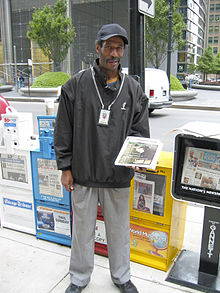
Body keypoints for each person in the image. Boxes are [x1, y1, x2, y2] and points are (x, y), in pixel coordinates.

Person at [54, 23, 150, 293]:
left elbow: (140, 131)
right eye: (109, 46)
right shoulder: (76, 85)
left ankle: (121, 277)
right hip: (83, 172)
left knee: (119, 232)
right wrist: (65, 167)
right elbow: (64, 129)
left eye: (119, 48)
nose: (114, 53)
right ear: (98, 48)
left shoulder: (133, 89)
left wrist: (140, 156)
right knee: (82, 232)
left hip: (118, 175)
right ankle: (79, 278)